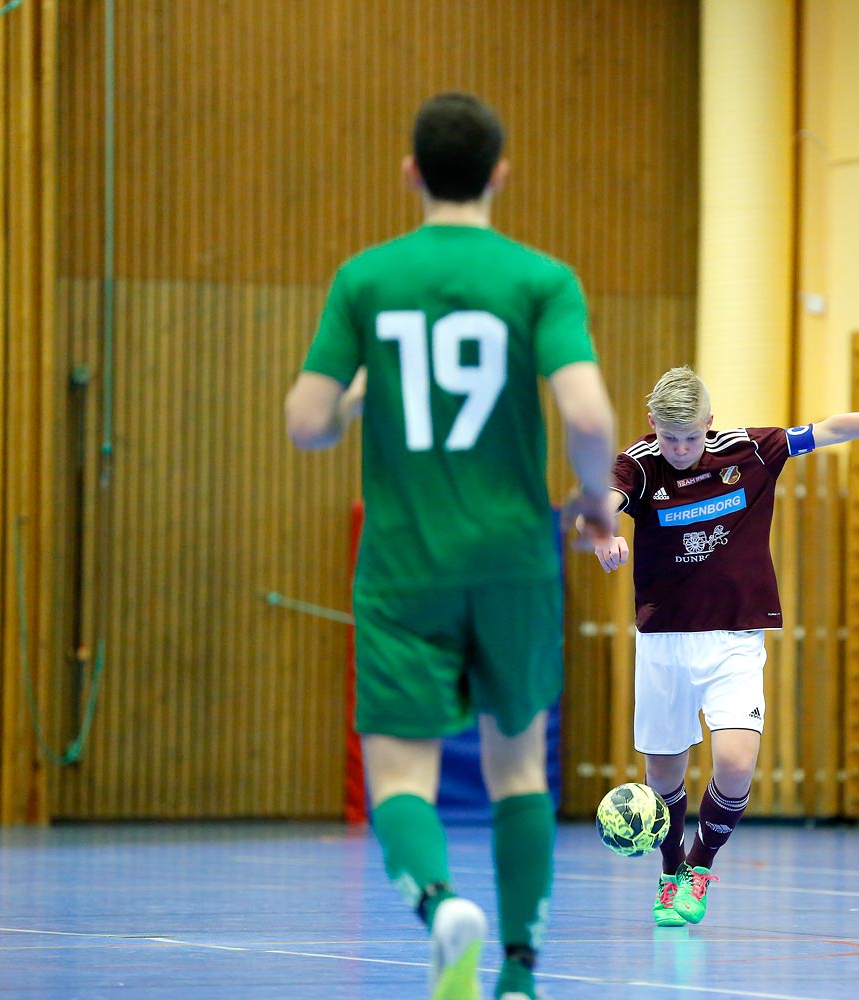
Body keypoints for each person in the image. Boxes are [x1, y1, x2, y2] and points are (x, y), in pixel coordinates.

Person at [285, 91, 617, 1000]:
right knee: (517, 769)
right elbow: (586, 411)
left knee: (400, 773)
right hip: (514, 561)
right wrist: (595, 500)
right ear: (500, 174)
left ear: (411, 173)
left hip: (403, 566)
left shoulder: (367, 280)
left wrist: (356, 394)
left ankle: (439, 907)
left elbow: (306, 423)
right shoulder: (539, 279)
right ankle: (516, 973)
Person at [590, 366, 859, 927]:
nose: (681, 448)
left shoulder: (749, 452)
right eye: (670, 437)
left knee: (737, 765)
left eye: (691, 437)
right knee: (665, 779)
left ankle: (699, 867)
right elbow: (601, 503)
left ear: (709, 424)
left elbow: (830, 430)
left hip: (734, 639)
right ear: (652, 426)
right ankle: (669, 874)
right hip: (664, 642)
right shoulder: (641, 464)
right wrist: (604, 536)